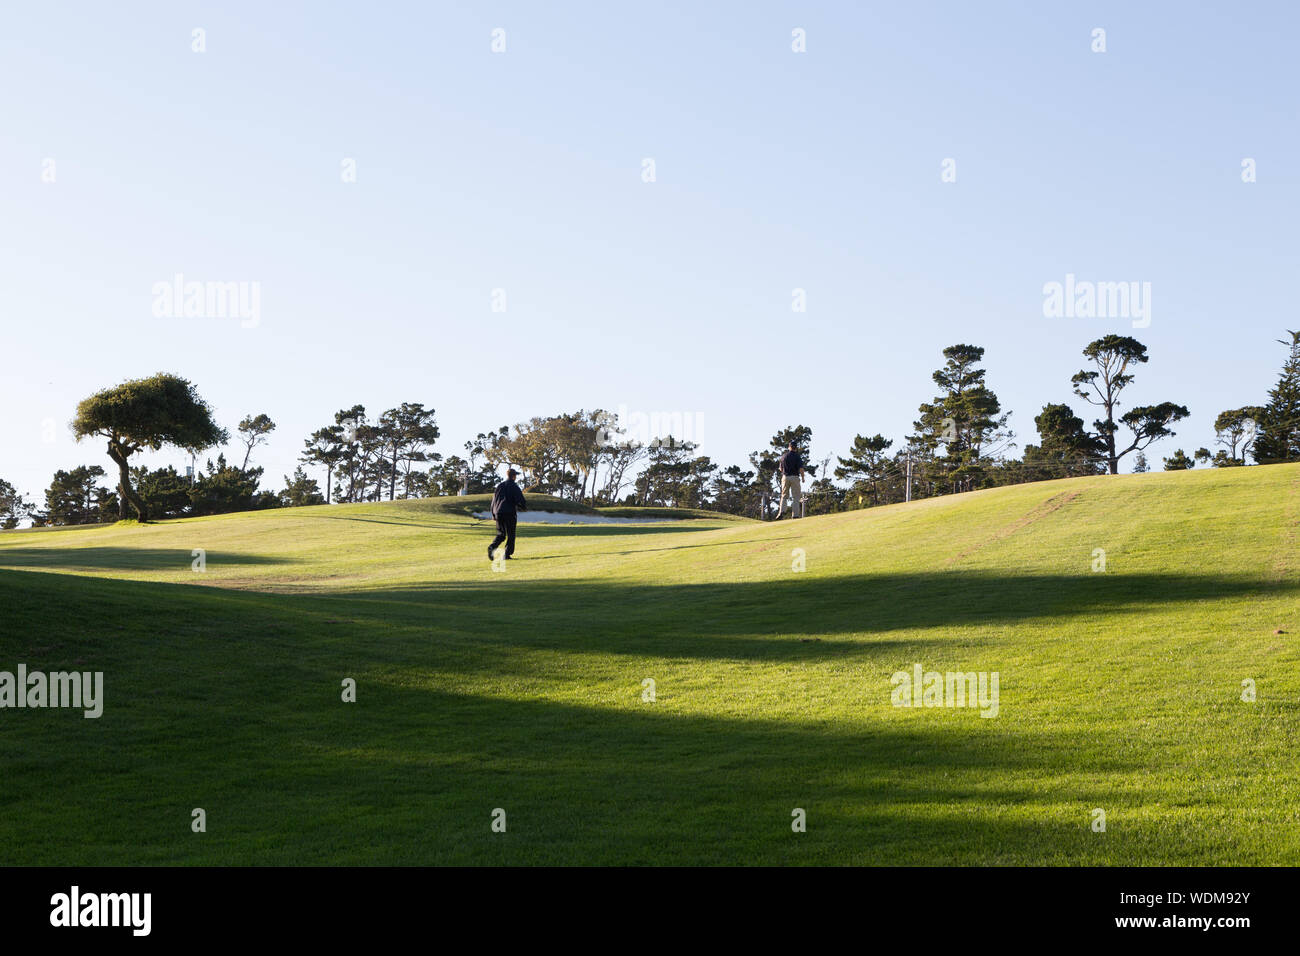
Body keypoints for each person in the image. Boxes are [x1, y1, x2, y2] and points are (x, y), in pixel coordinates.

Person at [488, 469, 528, 561]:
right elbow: (520, 500)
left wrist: (493, 514)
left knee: (501, 534)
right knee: (511, 534)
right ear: (514, 476)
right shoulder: (514, 486)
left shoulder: (500, 486)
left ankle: (492, 547)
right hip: (509, 513)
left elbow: (494, 501)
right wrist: (523, 507)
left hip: (498, 512)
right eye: (515, 475)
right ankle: (506, 554)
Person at [774, 441, 806, 519]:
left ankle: (781, 512)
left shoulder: (784, 456)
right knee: (796, 497)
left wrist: (785, 472)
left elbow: (780, 468)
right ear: (796, 448)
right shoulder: (797, 456)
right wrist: (802, 477)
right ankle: (795, 515)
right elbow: (801, 468)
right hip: (794, 477)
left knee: (784, 496)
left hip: (785, 477)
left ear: (789, 447)